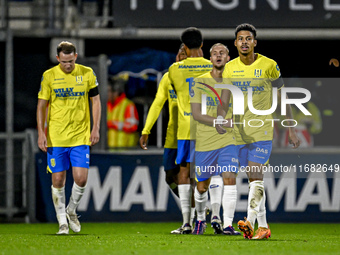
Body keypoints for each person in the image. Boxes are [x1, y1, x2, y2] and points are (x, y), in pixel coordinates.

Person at [219, 23, 300, 240]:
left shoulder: (269, 65)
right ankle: (263, 227)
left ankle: (249, 221)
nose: (244, 42)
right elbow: (225, 98)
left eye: (248, 38)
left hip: (262, 129)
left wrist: (291, 128)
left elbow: (283, 97)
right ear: (235, 43)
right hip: (237, 132)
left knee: (255, 174)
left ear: (255, 42)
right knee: (252, 178)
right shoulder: (230, 68)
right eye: (240, 39)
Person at [36, 41, 101, 234]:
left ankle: (71, 210)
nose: (68, 65)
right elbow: (41, 105)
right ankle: (62, 222)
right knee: (58, 180)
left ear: (76, 56)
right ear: (57, 58)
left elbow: (96, 101)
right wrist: (41, 133)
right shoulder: (49, 76)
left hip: (80, 135)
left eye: (71, 61)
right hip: (56, 137)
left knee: (81, 179)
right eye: (64, 62)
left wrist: (95, 128)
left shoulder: (87, 73)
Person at [140, 44, 198, 233]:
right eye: (179, 53)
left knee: (191, 175)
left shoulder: (198, 77)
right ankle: (194, 210)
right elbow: (157, 103)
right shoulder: (168, 77)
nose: (180, 56)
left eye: (185, 53)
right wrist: (146, 129)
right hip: (173, 136)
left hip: (192, 134)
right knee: (169, 176)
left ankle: (195, 217)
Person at [190, 43, 240, 235]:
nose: (218, 56)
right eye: (214, 54)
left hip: (228, 140)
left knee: (229, 178)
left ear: (228, 58)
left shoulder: (234, 82)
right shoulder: (199, 82)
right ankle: (201, 219)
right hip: (205, 140)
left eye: (222, 53)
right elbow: (196, 114)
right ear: (210, 59)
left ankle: (228, 224)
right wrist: (220, 122)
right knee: (202, 187)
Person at [168, 27, 212, 234]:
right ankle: (210, 217)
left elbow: (175, 94)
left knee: (183, 172)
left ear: (184, 46)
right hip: (208, 127)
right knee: (208, 173)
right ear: (202, 45)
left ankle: (187, 222)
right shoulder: (213, 66)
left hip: (185, 127)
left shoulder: (175, 69)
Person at [107, 78, 139, 148]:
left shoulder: (128, 105)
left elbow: (133, 126)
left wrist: (112, 124)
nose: (106, 94)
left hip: (126, 149)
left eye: (108, 91)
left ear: (116, 92)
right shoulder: (106, 105)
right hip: (108, 149)